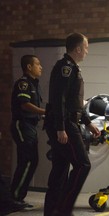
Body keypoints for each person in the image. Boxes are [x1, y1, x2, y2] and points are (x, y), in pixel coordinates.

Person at [43, 32, 101, 216]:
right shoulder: (65, 68)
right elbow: (58, 99)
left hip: (68, 121)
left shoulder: (73, 68)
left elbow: (74, 101)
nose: (86, 52)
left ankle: (52, 210)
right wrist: (60, 128)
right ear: (77, 49)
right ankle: (63, 208)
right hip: (64, 124)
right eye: (85, 48)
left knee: (60, 169)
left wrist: (88, 123)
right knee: (83, 165)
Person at [10, 54, 45, 207]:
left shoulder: (34, 84)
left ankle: (19, 197)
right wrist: (44, 112)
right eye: (37, 64)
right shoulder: (23, 84)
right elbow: (24, 104)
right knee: (27, 160)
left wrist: (43, 116)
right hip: (22, 125)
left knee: (32, 160)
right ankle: (14, 198)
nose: (41, 67)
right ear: (29, 67)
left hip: (30, 126)